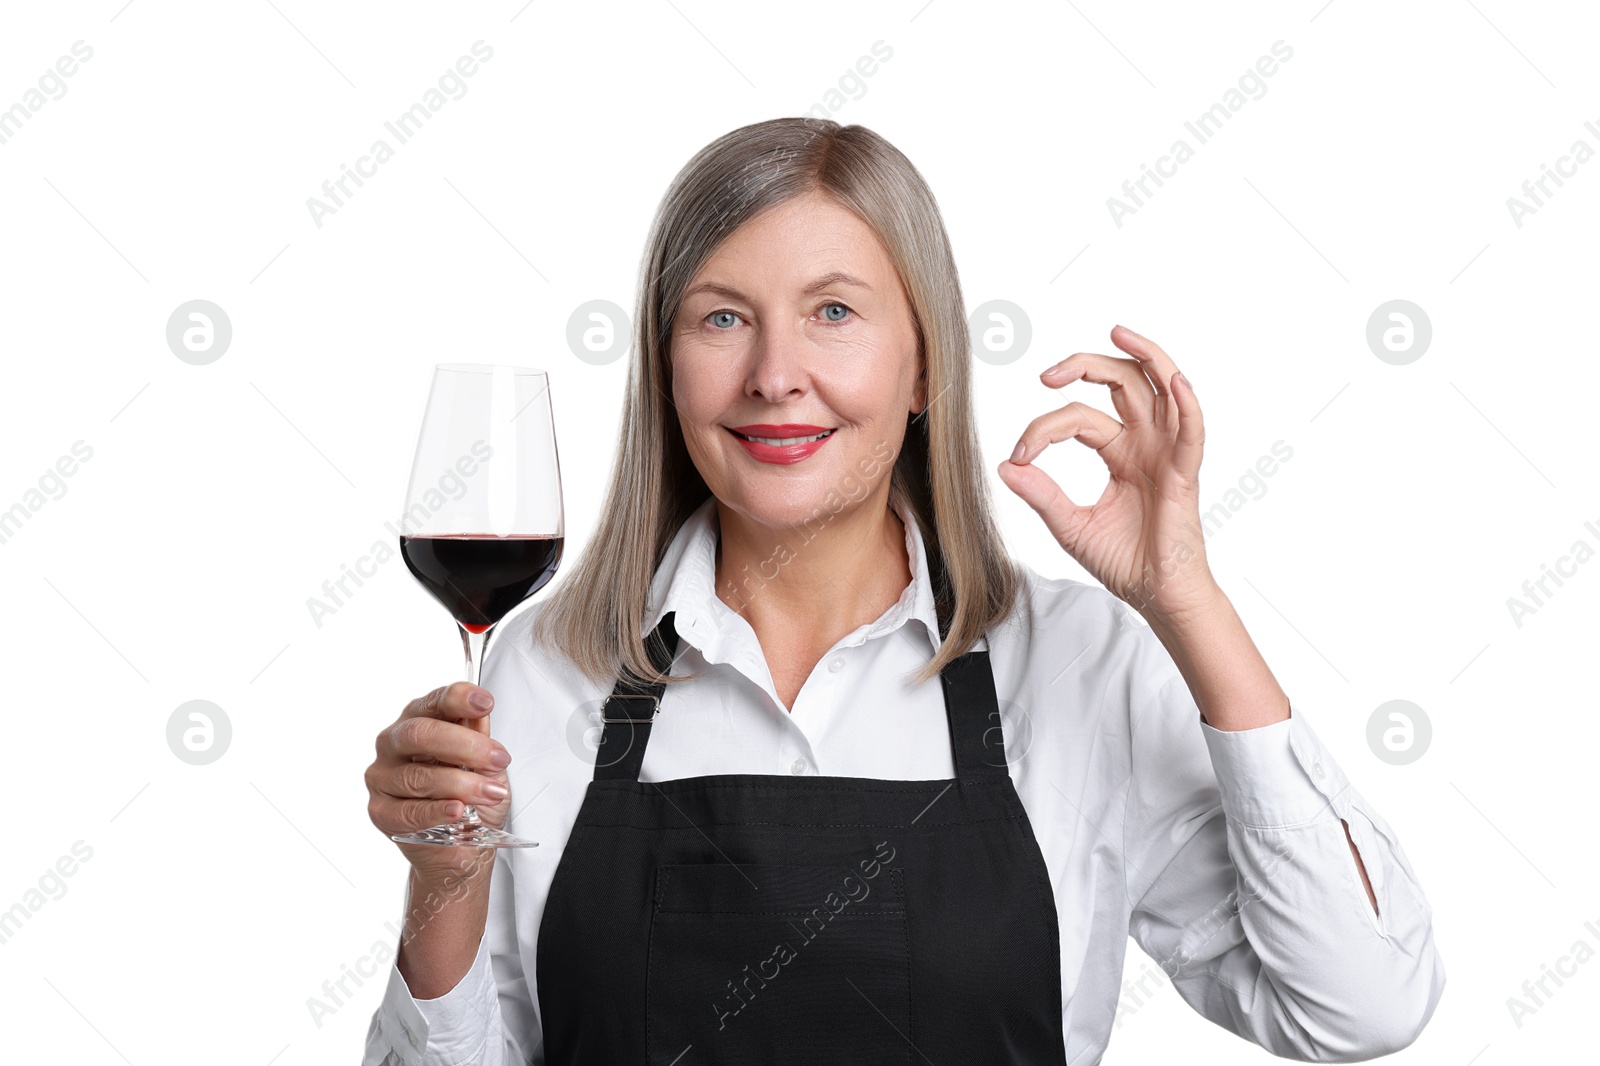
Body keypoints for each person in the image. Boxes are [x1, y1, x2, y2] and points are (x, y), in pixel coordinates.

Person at [362, 117, 1445, 1065]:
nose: (775, 373)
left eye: (833, 312)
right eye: (722, 317)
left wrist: (1186, 599)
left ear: (925, 366)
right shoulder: (550, 669)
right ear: (667, 366)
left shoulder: (1076, 665)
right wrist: (440, 879)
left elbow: (1359, 1007)